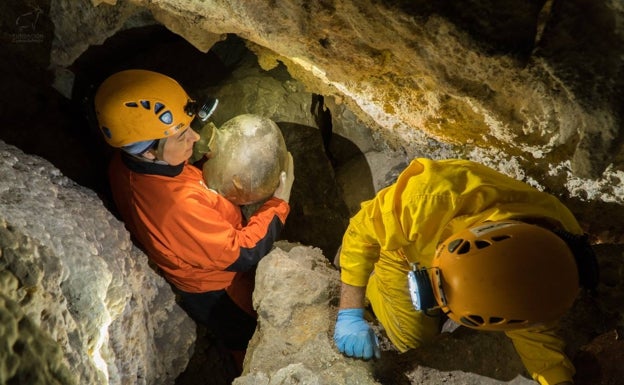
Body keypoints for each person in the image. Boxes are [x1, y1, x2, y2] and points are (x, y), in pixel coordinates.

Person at [93, 69, 294, 377]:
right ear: (148, 150)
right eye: (181, 134)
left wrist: (203, 165)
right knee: (246, 335)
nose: (195, 136)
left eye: (189, 127)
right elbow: (244, 252)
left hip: (202, 248)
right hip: (217, 288)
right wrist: (279, 203)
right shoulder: (175, 207)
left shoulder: (132, 164)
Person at [333, 158, 598, 385]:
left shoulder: (547, 264)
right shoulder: (430, 198)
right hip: (406, 245)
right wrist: (350, 312)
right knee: (412, 342)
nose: (435, 298)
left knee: (420, 340)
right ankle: (370, 270)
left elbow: (533, 331)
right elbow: (360, 231)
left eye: (443, 299)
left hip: (431, 236)